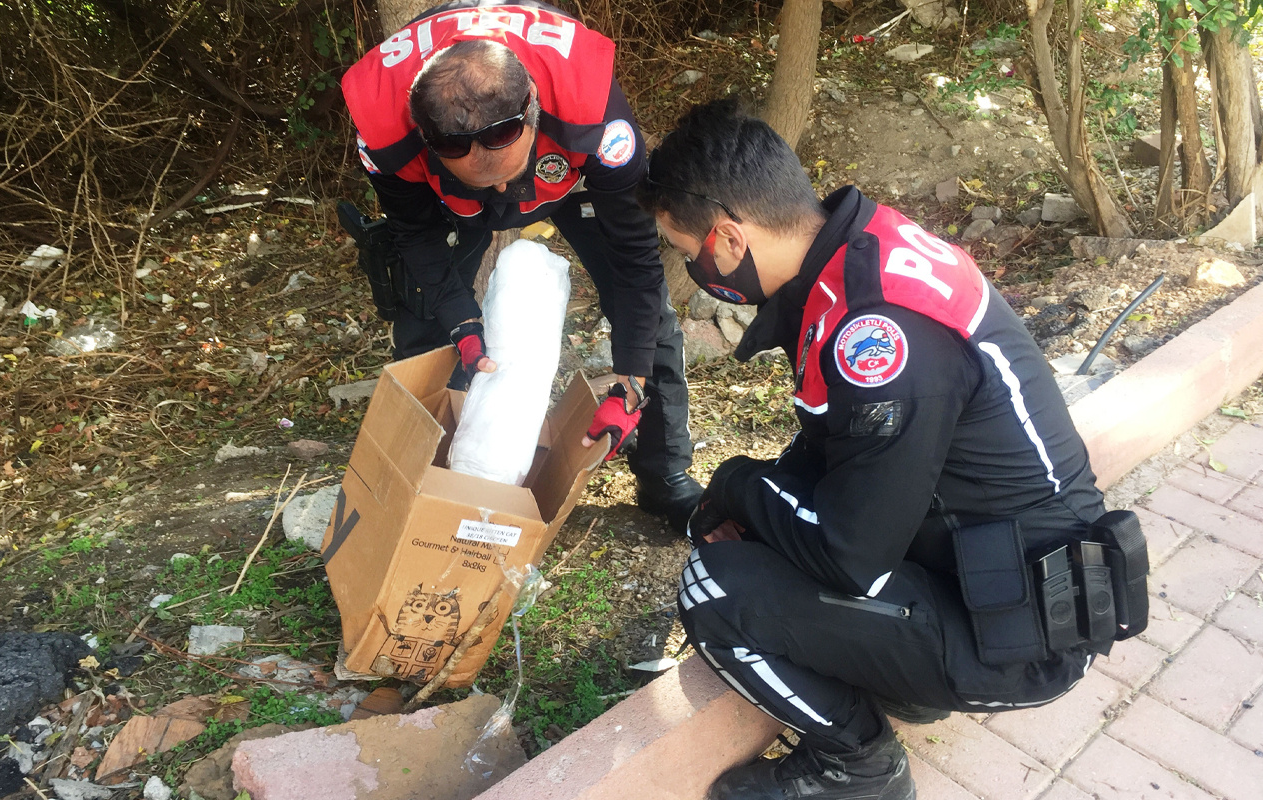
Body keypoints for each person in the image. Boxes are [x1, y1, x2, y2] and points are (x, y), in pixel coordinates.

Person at [637, 100, 1148, 800]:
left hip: (1023, 638)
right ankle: (906, 674)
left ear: (727, 238)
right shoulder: (858, 254)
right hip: (987, 569)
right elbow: (840, 451)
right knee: (774, 526)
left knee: (714, 587)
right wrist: (757, 504)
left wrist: (730, 487)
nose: (691, 265)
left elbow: (850, 555)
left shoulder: (878, 333)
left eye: (684, 249)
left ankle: (858, 767)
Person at [340, 0, 700, 527]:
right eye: (486, 180)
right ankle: (418, 472)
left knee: (647, 318)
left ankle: (665, 474)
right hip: (449, 201)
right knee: (422, 318)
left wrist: (633, 377)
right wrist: (461, 318)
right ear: (426, 141)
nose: (505, 193)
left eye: (510, 171)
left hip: (567, 176)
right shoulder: (383, 130)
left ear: (533, 106)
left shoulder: (595, 110)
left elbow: (636, 258)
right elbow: (415, 235)